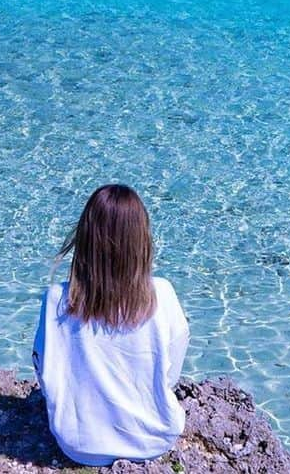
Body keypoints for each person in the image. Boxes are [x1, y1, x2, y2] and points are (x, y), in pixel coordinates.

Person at [33, 184, 190, 466]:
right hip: (153, 440)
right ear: (142, 241)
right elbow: (169, 375)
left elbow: (45, 374)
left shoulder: (57, 299)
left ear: (85, 238)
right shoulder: (163, 295)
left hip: (78, 444)